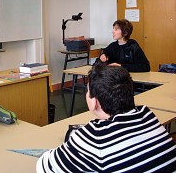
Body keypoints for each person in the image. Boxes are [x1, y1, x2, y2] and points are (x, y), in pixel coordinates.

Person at [37, 65, 176, 172]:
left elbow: (44, 167)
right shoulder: (147, 114)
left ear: (94, 102)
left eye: (87, 90)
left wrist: (76, 142)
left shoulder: (95, 137)